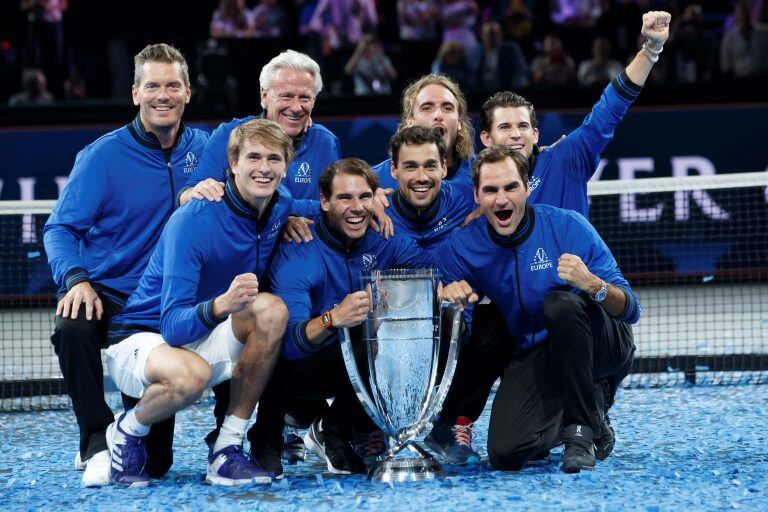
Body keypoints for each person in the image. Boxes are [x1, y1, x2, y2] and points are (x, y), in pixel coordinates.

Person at [427, 10, 670, 465]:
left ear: (536, 133)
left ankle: (589, 413)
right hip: (534, 337)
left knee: (564, 306)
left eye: (523, 126)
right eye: (505, 127)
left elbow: (611, 105)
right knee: (507, 449)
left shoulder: (568, 159)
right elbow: (419, 195)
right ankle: (555, 414)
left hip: (587, 314)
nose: (515, 134)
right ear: (485, 139)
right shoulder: (473, 192)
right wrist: (372, 195)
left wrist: (650, 50)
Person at [42, 43, 209, 487]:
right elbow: (60, 230)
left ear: (188, 92)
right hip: (109, 296)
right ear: (135, 93)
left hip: (164, 305)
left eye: (173, 85)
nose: (163, 95)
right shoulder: (101, 156)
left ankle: (220, 445)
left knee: (156, 465)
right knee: (70, 324)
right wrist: (76, 280)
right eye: (152, 85)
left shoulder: (207, 150)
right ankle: (95, 438)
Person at [105, 119, 293, 487]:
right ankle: (126, 430)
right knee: (190, 383)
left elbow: (316, 206)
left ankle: (226, 449)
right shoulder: (193, 218)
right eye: (253, 157)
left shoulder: (280, 205)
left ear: (286, 167)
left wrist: (372, 204)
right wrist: (222, 304)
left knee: (273, 311)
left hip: (202, 334)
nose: (264, 167)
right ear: (233, 165)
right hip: (145, 336)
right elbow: (173, 326)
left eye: (274, 158)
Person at [439, 146, 640, 473]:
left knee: (559, 304)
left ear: (527, 188)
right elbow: (461, 334)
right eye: (490, 190)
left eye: (510, 188)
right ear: (476, 195)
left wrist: (593, 285)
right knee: (506, 454)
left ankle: (580, 433)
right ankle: (587, 402)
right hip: (539, 351)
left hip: (603, 343)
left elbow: (631, 308)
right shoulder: (463, 246)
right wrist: (452, 308)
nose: (501, 199)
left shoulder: (567, 226)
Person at [247, 158, 438, 478]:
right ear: (324, 201)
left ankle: (333, 430)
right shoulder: (299, 249)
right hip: (291, 372)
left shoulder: (384, 238)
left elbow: (433, 273)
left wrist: (401, 297)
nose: (357, 208)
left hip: (346, 365)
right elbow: (291, 346)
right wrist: (333, 318)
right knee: (274, 340)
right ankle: (265, 436)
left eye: (365, 197)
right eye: (345, 198)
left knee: (378, 338)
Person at [181, 49, 340, 205]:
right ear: (264, 96)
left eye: (305, 98)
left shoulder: (326, 142)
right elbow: (188, 195)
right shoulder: (229, 135)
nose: (297, 107)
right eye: (287, 96)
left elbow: (333, 207)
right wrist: (281, 219)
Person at [372, 73, 475, 193]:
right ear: (410, 121)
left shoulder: (483, 175)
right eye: (427, 107)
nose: (438, 115)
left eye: (447, 108)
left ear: (459, 122)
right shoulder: (374, 181)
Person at [386, 126, 475, 250]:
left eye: (430, 166)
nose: (421, 177)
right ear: (394, 170)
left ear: (443, 168)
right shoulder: (378, 214)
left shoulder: (467, 197)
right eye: (410, 167)